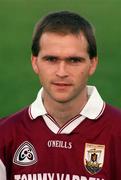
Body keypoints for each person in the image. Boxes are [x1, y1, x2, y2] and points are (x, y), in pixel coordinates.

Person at [0, 10, 121, 180]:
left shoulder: (118, 132)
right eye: (51, 59)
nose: (62, 72)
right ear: (35, 62)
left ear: (92, 64)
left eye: (74, 60)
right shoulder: (4, 134)